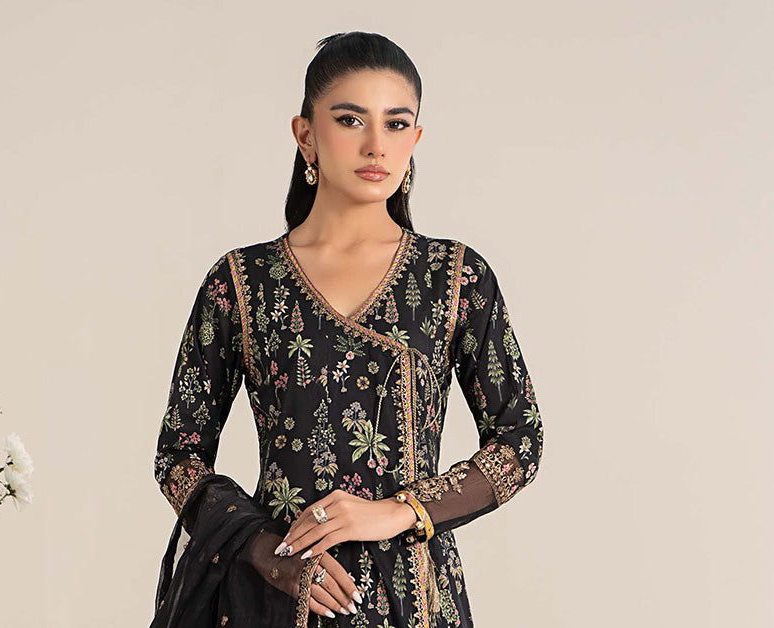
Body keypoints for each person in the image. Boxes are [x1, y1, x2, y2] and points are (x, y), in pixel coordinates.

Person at [150, 31, 544, 628]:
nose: (375, 145)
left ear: (415, 140)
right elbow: (178, 456)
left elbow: (520, 440)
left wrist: (397, 511)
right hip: (277, 602)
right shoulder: (242, 282)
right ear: (305, 134)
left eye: (395, 124)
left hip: (414, 602)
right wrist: (269, 553)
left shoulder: (455, 277)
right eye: (350, 120)